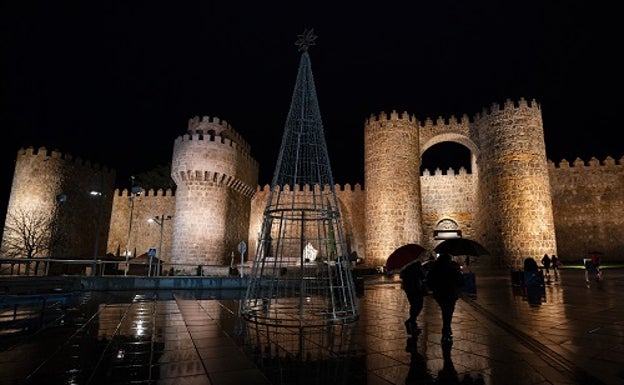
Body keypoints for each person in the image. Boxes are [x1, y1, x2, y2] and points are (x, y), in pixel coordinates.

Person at [426, 253, 464, 345]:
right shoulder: (452, 269)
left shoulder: (435, 269)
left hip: (440, 294)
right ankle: (446, 329)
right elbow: (460, 282)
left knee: (445, 310)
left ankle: (447, 328)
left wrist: (434, 288)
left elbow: (429, 281)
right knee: (448, 312)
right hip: (451, 294)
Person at [400, 255, 427, 336]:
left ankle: (413, 325)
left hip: (409, 289)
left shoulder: (406, 268)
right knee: (418, 306)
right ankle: (411, 321)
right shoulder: (417, 266)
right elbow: (423, 276)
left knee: (414, 305)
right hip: (416, 289)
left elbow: (402, 276)